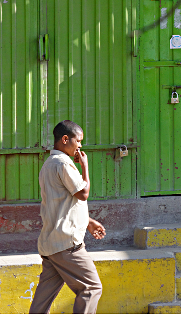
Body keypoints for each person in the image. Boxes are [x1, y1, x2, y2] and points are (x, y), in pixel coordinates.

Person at [30, 120, 106, 314]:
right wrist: (85, 167)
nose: (80, 146)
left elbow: (60, 204)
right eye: (78, 140)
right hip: (67, 244)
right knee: (91, 288)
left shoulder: (48, 164)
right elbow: (83, 193)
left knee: (42, 300)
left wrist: (87, 221)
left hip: (51, 244)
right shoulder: (63, 164)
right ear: (65, 139)